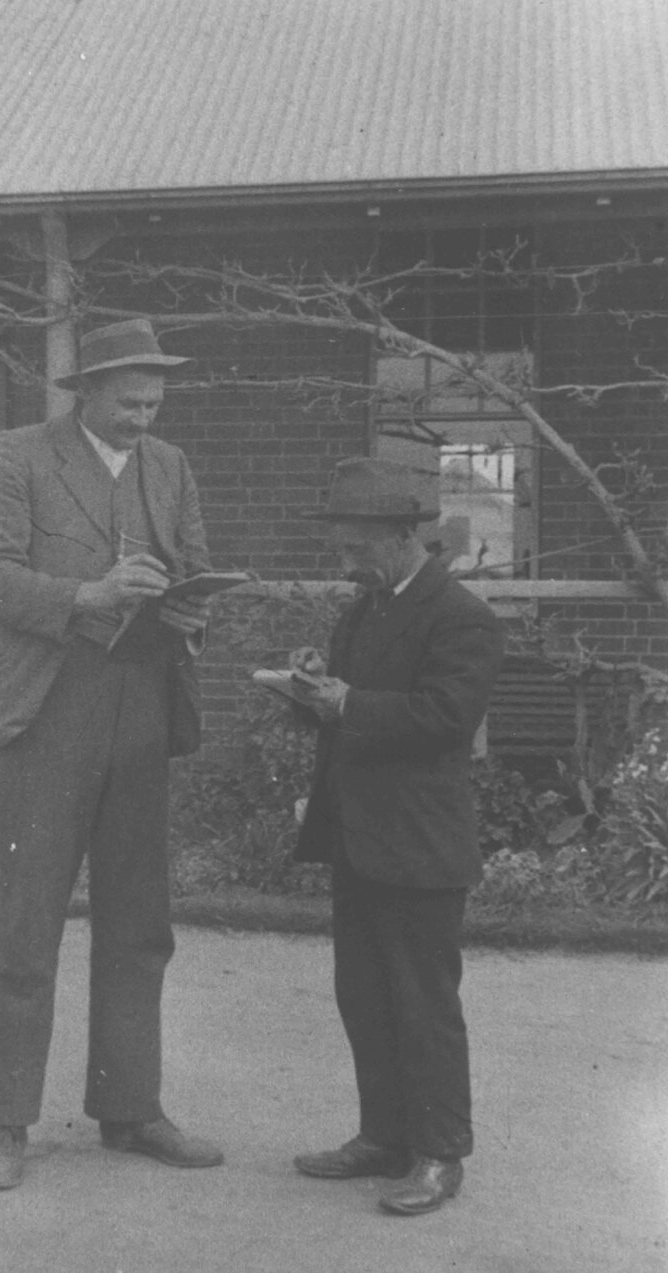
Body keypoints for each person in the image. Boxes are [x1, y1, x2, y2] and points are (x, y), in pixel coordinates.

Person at [0, 319, 224, 1190]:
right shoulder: (20, 456)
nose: (143, 418)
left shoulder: (172, 467)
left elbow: (193, 572)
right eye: (129, 402)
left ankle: (131, 1107)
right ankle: (9, 1123)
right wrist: (90, 591)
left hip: (143, 706)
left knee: (140, 921)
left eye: (155, 402)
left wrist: (192, 609)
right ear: (89, 391)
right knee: (29, 920)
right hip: (50, 710)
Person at [287, 457, 504, 1216]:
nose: (346, 565)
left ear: (400, 535)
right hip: (361, 835)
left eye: (356, 548)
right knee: (366, 995)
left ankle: (441, 1154)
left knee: (423, 1002)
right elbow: (350, 704)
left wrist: (349, 702)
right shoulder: (367, 607)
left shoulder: (461, 615)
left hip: (420, 843)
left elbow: (446, 717)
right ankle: (383, 1136)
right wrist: (312, 684)